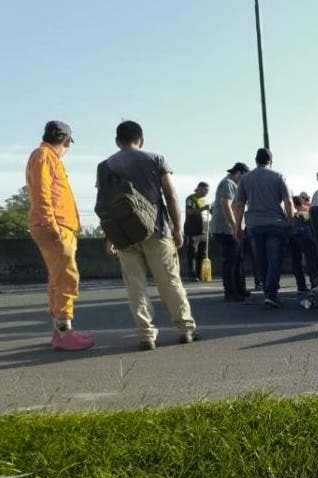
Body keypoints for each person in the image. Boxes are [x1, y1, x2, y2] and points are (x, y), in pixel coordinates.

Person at [99, 120, 198, 350]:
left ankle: (146, 335)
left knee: (135, 285)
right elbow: (171, 195)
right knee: (169, 281)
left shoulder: (105, 166)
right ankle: (185, 329)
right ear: (141, 140)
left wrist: (110, 237)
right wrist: (177, 227)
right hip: (157, 229)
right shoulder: (156, 159)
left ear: (117, 141)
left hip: (124, 235)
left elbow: (105, 205)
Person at [25, 121, 94, 351]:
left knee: (58, 279)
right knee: (66, 278)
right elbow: (41, 192)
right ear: (66, 141)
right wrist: (52, 224)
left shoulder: (46, 157)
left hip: (56, 225)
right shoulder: (44, 155)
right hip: (55, 226)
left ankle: (60, 331)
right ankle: (65, 332)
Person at [233, 148, 294, 308]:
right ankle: (271, 294)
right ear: (271, 161)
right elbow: (288, 201)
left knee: (261, 260)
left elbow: (239, 205)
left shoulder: (245, 179)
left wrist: (238, 226)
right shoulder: (278, 176)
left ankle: (267, 289)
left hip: (254, 225)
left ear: (256, 160)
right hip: (275, 224)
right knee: (274, 259)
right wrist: (291, 220)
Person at [211, 162, 251, 302]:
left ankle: (239, 289)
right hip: (226, 230)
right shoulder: (228, 183)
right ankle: (231, 292)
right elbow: (226, 205)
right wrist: (235, 226)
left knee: (238, 260)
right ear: (238, 173)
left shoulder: (234, 185)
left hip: (232, 229)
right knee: (230, 261)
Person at [288, 192, 318, 291]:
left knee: (296, 261)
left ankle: (301, 286)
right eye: (306, 199)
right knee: (311, 258)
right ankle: (315, 283)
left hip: (292, 234)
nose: (308, 201)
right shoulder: (307, 210)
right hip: (305, 236)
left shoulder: (291, 213)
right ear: (302, 201)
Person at [183, 181, 210, 281]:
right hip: (193, 230)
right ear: (199, 188)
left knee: (202, 254)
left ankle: (200, 274)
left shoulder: (203, 200)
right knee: (192, 253)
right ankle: (192, 274)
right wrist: (203, 208)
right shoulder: (190, 199)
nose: (207, 192)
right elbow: (189, 211)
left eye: (208, 191)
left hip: (204, 230)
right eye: (205, 190)